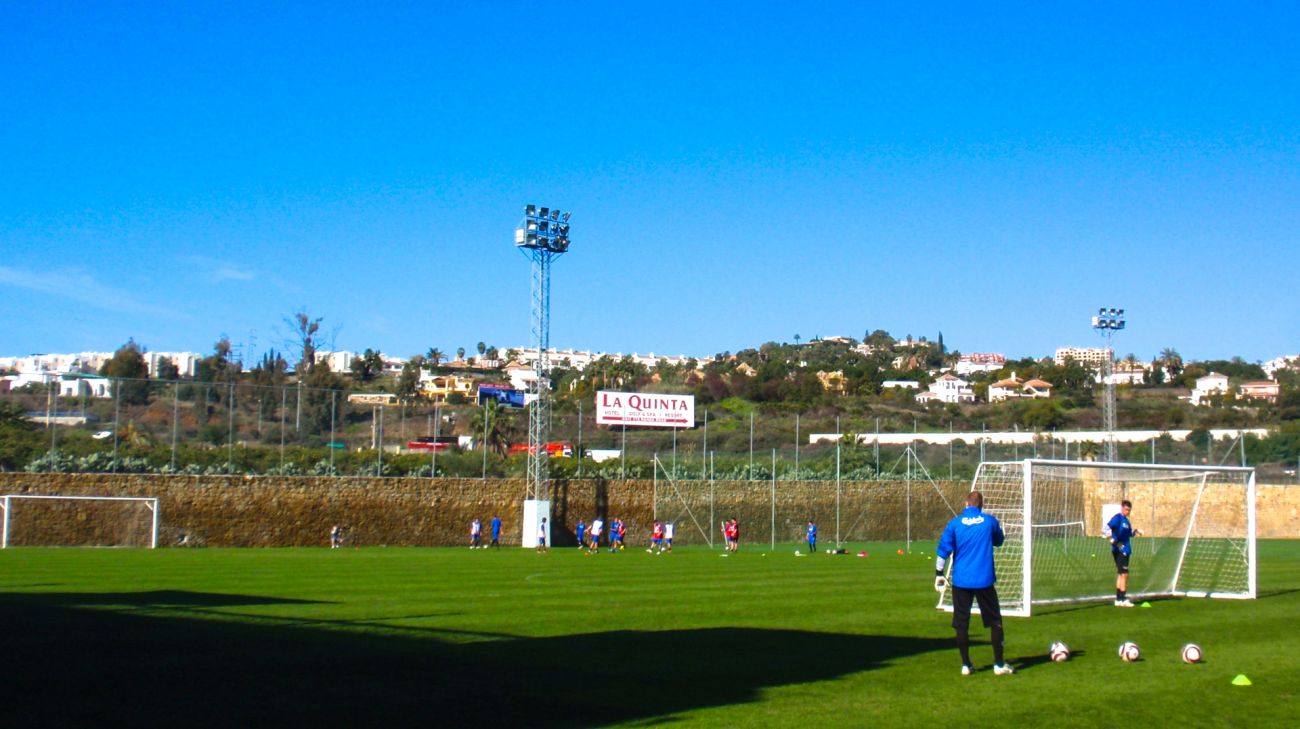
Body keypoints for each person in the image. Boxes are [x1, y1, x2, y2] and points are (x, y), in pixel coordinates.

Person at [935, 491, 1013, 676]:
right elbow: (999, 541)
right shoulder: (989, 521)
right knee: (995, 622)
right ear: (981, 505)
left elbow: (943, 549)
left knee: (961, 623)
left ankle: (965, 664)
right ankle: (999, 664)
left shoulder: (955, 523)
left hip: (961, 580)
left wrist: (938, 573)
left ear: (966, 503)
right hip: (984, 579)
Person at [1104, 500, 1143, 607]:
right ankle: (1123, 598)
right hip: (1120, 551)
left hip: (1126, 550)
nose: (1127, 512)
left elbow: (1129, 535)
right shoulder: (1117, 518)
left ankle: (1118, 599)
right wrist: (1114, 542)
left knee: (1121, 574)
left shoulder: (1126, 521)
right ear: (1122, 508)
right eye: (1126, 509)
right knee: (1125, 574)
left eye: (1129, 510)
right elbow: (1105, 529)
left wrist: (1136, 532)